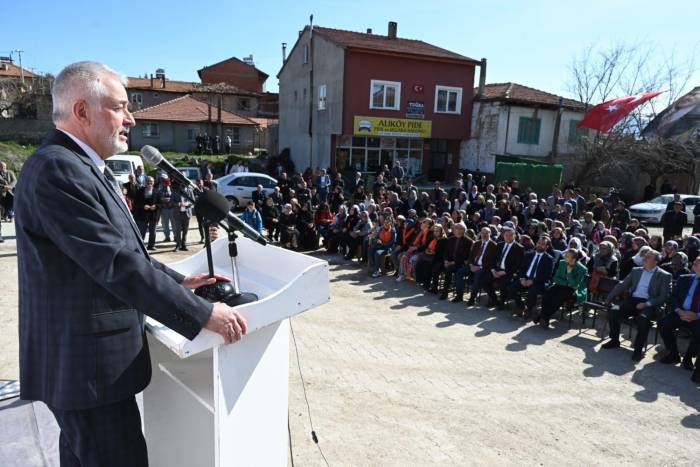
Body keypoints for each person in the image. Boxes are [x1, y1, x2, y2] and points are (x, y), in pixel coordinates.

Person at [14, 61, 247, 467]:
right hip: (86, 373)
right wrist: (204, 314)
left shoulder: (81, 165)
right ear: (82, 111)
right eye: (120, 107)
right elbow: (114, 264)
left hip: (86, 374)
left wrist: (180, 281)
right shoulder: (58, 168)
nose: (131, 119)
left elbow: (122, 252)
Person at [603, 250, 672, 362]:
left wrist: (646, 304)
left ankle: (638, 350)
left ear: (656, 261)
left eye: (648, 257)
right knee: (613, 309)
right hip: (632, 301)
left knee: (643, 319)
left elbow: (664, 296)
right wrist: (608, 299)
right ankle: (614, 340)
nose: (644, 259)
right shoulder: (636, 271)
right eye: (644, 256)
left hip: (650, 304)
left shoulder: (664, 275)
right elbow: (622, 285)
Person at [658, 257, 700, 383]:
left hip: (697, 317)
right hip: (680, 313)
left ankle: (688, 359)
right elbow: (673, 297)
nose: (695, 263)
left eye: (698, 262)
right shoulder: (685, 279)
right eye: (695, 261)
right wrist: (679, 311)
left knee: (699, 333)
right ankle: (673, 354)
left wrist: (697, 315)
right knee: (664, 323)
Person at [533, 248, 588, 329]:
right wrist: (567, 283)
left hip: (572, 290)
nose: (564, 257)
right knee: (547, 294)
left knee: (558, 299)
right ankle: (544, 317)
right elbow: (556, 278)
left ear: (574, 259)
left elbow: (575, 284)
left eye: (567, 256)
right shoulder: (562, 263)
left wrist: (569, 273)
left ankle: (542, 317)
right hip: (560, 285)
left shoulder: (582, 269)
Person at [510, 236, 555, 317]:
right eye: (539, 243)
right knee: (512, 287)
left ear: (547, 247)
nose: (540, 245)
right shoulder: (528, 254)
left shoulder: (549, 259)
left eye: (543, 244)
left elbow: (547, 275)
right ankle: (520, 305)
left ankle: (529, 308)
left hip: (538, 281)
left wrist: (533, 281)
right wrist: (522, 278)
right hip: (525, 278)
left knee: (532, 292)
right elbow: (522, 269)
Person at [482, 226, 525, 309]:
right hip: (496, 270)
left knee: (503, 284)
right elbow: (493, 259)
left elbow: (518, 265)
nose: (508, 237)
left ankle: (501, 303)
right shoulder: (500, 245)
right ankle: (495, 300)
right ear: (503, 236)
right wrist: (493, 270)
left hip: (509, 272)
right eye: (506, 235)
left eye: (510, 235)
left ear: (514, 236)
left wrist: (505, 272)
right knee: (484, 281)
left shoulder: (519, 248)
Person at [455, 226, 498, 305]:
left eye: (486, 233)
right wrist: (471, 265)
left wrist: (479, 267)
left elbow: (492, 261)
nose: (484, 235)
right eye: (483, 233)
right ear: (480, 233)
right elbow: (471, 256)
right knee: (460, 272)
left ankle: (472, 298)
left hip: (483, 268)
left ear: (490, 234)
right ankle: (459, 295)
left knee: (477, 277)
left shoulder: (494, 246)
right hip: (473, 265)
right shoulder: (477, 243)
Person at [433, 222, 473, 300]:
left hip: (460, 263)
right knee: (436, 266)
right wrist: (445, 261)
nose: (457, 231)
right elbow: (446, 252)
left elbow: (465, 256)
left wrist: (452, 262)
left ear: (463, 230)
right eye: (455, 229)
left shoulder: (468, 241)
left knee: (449, 270)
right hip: (449, 261)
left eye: (460, 229)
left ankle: (446, 292)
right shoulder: (451, 239)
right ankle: (434, 288)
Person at [132, 176, 159, 250]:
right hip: (142, 214)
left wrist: (156, 206)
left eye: (151, 181)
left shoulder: (157, 191)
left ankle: (151, 245)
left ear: (153, 182)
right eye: (148, 181)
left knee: (152, 232)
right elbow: (136, 203)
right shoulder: (140, 191)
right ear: (145, 182)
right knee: (142, 231)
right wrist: (143, 206)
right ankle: (141, 246)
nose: (150, 183)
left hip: (153, 215)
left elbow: (160, 203)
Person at [171, 185, 194, 251]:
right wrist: (178, 204)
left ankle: (183, 245)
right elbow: (171, 202)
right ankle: (178, 245)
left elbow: (193, 201)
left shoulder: (190, 190)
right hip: (178, 214)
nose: (183, 186)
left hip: (187, 214)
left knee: (185, 231)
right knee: (178, 231)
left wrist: (187, 203)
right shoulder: (175, 191)